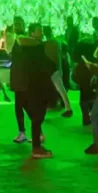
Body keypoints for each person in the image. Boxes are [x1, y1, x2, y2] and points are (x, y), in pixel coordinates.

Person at [14, 22, 55, 159]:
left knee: (35, 116)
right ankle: (36, 148)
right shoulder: (36, 48)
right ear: (32, 32)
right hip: (34, 86)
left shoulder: (21, 47)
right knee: (37, 116)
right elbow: (44, 66)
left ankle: (36, 145)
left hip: (25, 86)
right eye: (39, 30)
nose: (41, 33)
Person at [42, 25, 73, 117]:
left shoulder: (49, 43)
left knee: (59, 88)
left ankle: (68, 108)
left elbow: (57, 57)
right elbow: (59, 57)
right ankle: (67, 107)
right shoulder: (55, 42)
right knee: (60, 89)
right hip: (54, 68)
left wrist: (58, 68)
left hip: (52, 68)